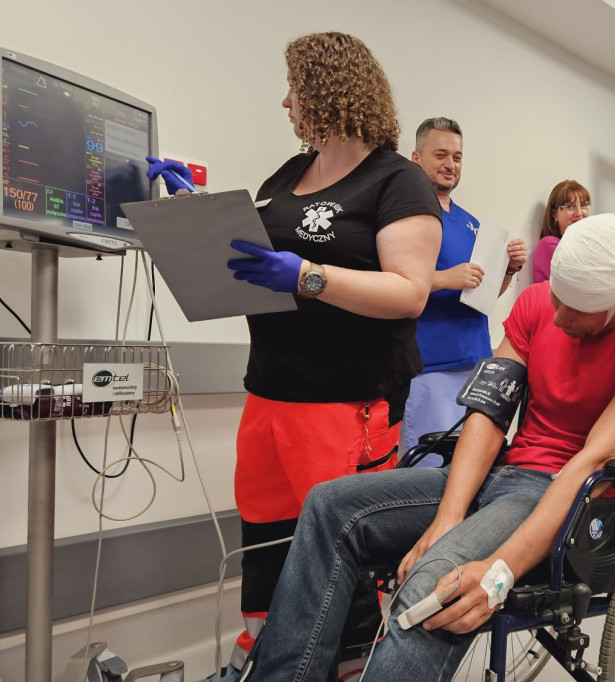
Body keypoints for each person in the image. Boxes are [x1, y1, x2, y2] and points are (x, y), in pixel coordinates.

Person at [238, 214, 615, 681]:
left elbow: (591, 464)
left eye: (577, 310)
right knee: (328, 505)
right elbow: (490, 411)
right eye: (558, 297)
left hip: (563, 493)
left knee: (434, 590)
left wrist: (499, 572)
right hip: (502, 474)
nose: (558, 317)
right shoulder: (536, 302)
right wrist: (449, 515)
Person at [148, 32, 441, 681]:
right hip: (270, 392)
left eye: (294, 88)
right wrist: (193, 215)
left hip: (346, 401)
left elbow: (409, 292)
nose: (286, 102)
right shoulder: (288, 174)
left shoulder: (398, 180)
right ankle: (270, 660)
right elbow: (253, 257)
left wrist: (307, 276)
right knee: (268, 544)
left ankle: (351, 666)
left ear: (329, 88)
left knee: (340, 552)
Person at [401, 117, 528, 458]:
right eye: (440, 155)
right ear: (416, 158)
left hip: (476, 363)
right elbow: (388, 281)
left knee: (472, 465)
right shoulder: (404, 216)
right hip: (430, 365)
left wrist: (508, 270)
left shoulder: (472, 224)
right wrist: (445, 278)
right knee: (428, 469)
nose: (450, 165)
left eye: (457, 157)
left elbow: (482, 294)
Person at [532, 179, 590, 283]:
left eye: (583, 205)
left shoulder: (587, 245)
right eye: (570, 206)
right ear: (554, 214)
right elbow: (582, 284)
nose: (579, 213)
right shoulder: (549, 244)